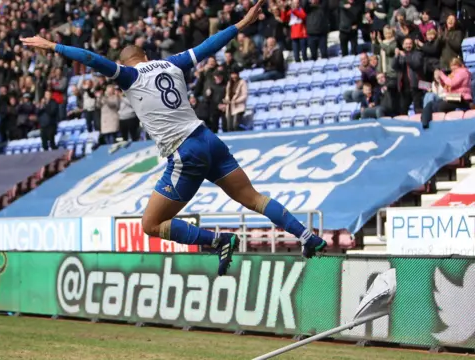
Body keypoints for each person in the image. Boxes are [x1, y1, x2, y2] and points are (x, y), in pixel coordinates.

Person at [20, 0, 327, 277]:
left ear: (126, 64)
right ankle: (305, 235)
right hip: (208, 139)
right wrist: (242, 24)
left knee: (150, 224)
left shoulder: (130, 76)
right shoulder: (171, 63)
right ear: (147, 56)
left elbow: (92, 58)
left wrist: (53, 46)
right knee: (255, 198)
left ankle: (219, 240)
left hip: (185, 152)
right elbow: (209, 45)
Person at [421, 58, 473, 129]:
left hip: (462, 99)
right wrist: (440, 79)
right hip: (452, 98)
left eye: (455, 65)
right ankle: (424, 124)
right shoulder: (453, 74)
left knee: (440, 106)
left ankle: (441, 126)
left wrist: (441, 74)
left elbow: (451, 83)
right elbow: (446, 86)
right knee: (430, 104)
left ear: (460, 65)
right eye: (451, 65)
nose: (452, 67)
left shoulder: (463, 72)